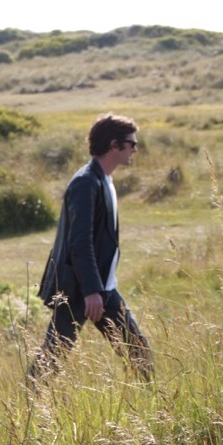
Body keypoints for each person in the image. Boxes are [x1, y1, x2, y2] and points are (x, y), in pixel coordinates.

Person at [29, 113, 153, 384]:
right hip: (80, 290)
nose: (135, 149)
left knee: (139, 352)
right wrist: (91, 291)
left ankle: (154, 409)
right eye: (131, 143)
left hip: (101, 287)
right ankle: (25, 408)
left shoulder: (103, 178)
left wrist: (98, 288)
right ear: (114, 145)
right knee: (53, 355)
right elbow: (80, 242)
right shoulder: (86, 182)